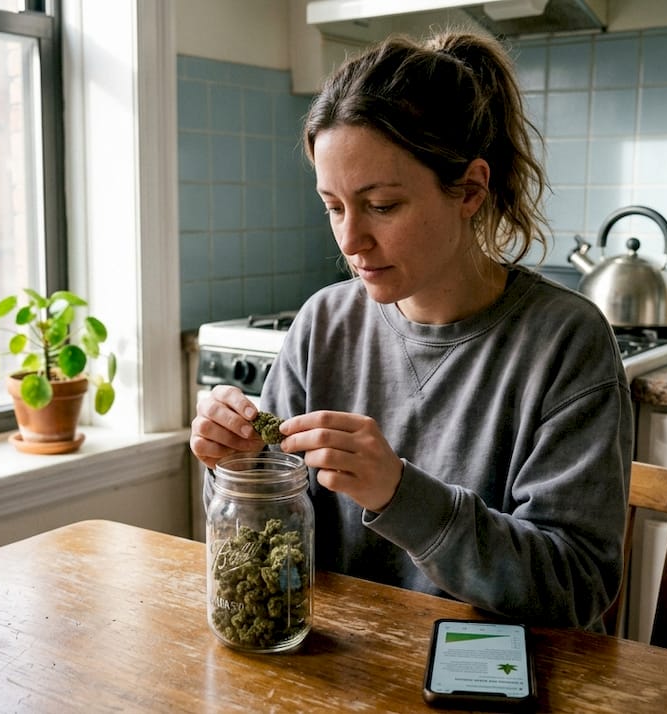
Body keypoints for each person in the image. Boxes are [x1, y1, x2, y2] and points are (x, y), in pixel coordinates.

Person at [190, 30, 632, 629]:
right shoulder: (322, 325)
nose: (350, 241)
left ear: (470, 189)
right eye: (334, 206)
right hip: (348, 671)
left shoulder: (566, 344)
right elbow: (269, 551)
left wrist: (401, 494)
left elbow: (576, 588)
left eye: (382, 205)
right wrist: (240, 470)